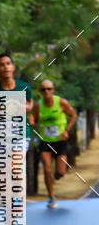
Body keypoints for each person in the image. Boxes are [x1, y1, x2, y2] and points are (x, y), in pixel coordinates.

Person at [33, 80, 77, 209]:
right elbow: (34, 121)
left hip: (60, 141)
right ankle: (51, 197)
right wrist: (31, 121)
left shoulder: (61, 102)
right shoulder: (37, 106)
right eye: (43, 89)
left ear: (53, 90)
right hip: (45, 142)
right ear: (40, 92)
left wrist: (67, 130)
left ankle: (57, 176)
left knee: (60, 172)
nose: (46, 92)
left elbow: (73, 115)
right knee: (47, 169)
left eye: (49, 89)